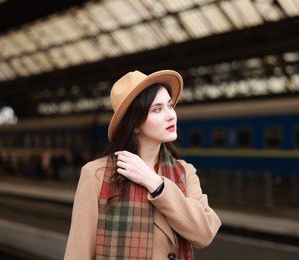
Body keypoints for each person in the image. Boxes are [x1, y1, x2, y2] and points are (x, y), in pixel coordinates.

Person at [64, 70, 221, 259]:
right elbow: (78, 252)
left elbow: (204, 233)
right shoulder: (96, 174)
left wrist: (156, 184)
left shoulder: (184, 172)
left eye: (170, 106)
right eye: (157, 109)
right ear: (135, 124)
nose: (171, 115)